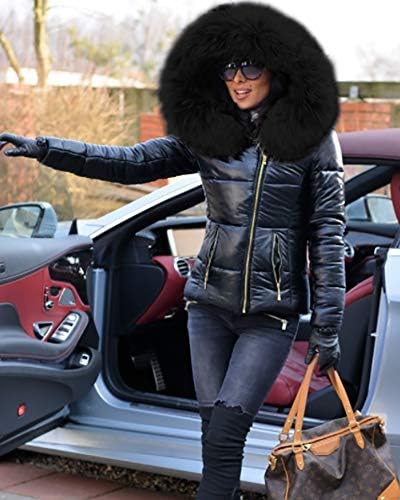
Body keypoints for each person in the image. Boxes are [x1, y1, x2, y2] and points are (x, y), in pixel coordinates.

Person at [0, 2, 346, 498]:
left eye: (250, 67)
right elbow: (130, 162)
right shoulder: (210, 135)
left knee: (225, 437)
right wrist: (47, 148)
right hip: (207, 307)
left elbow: (327, 233)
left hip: (269, 316)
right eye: (229, 68)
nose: (238, 79)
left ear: (279, 70)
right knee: (214, 440)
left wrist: (327, 328)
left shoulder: (312, 140)